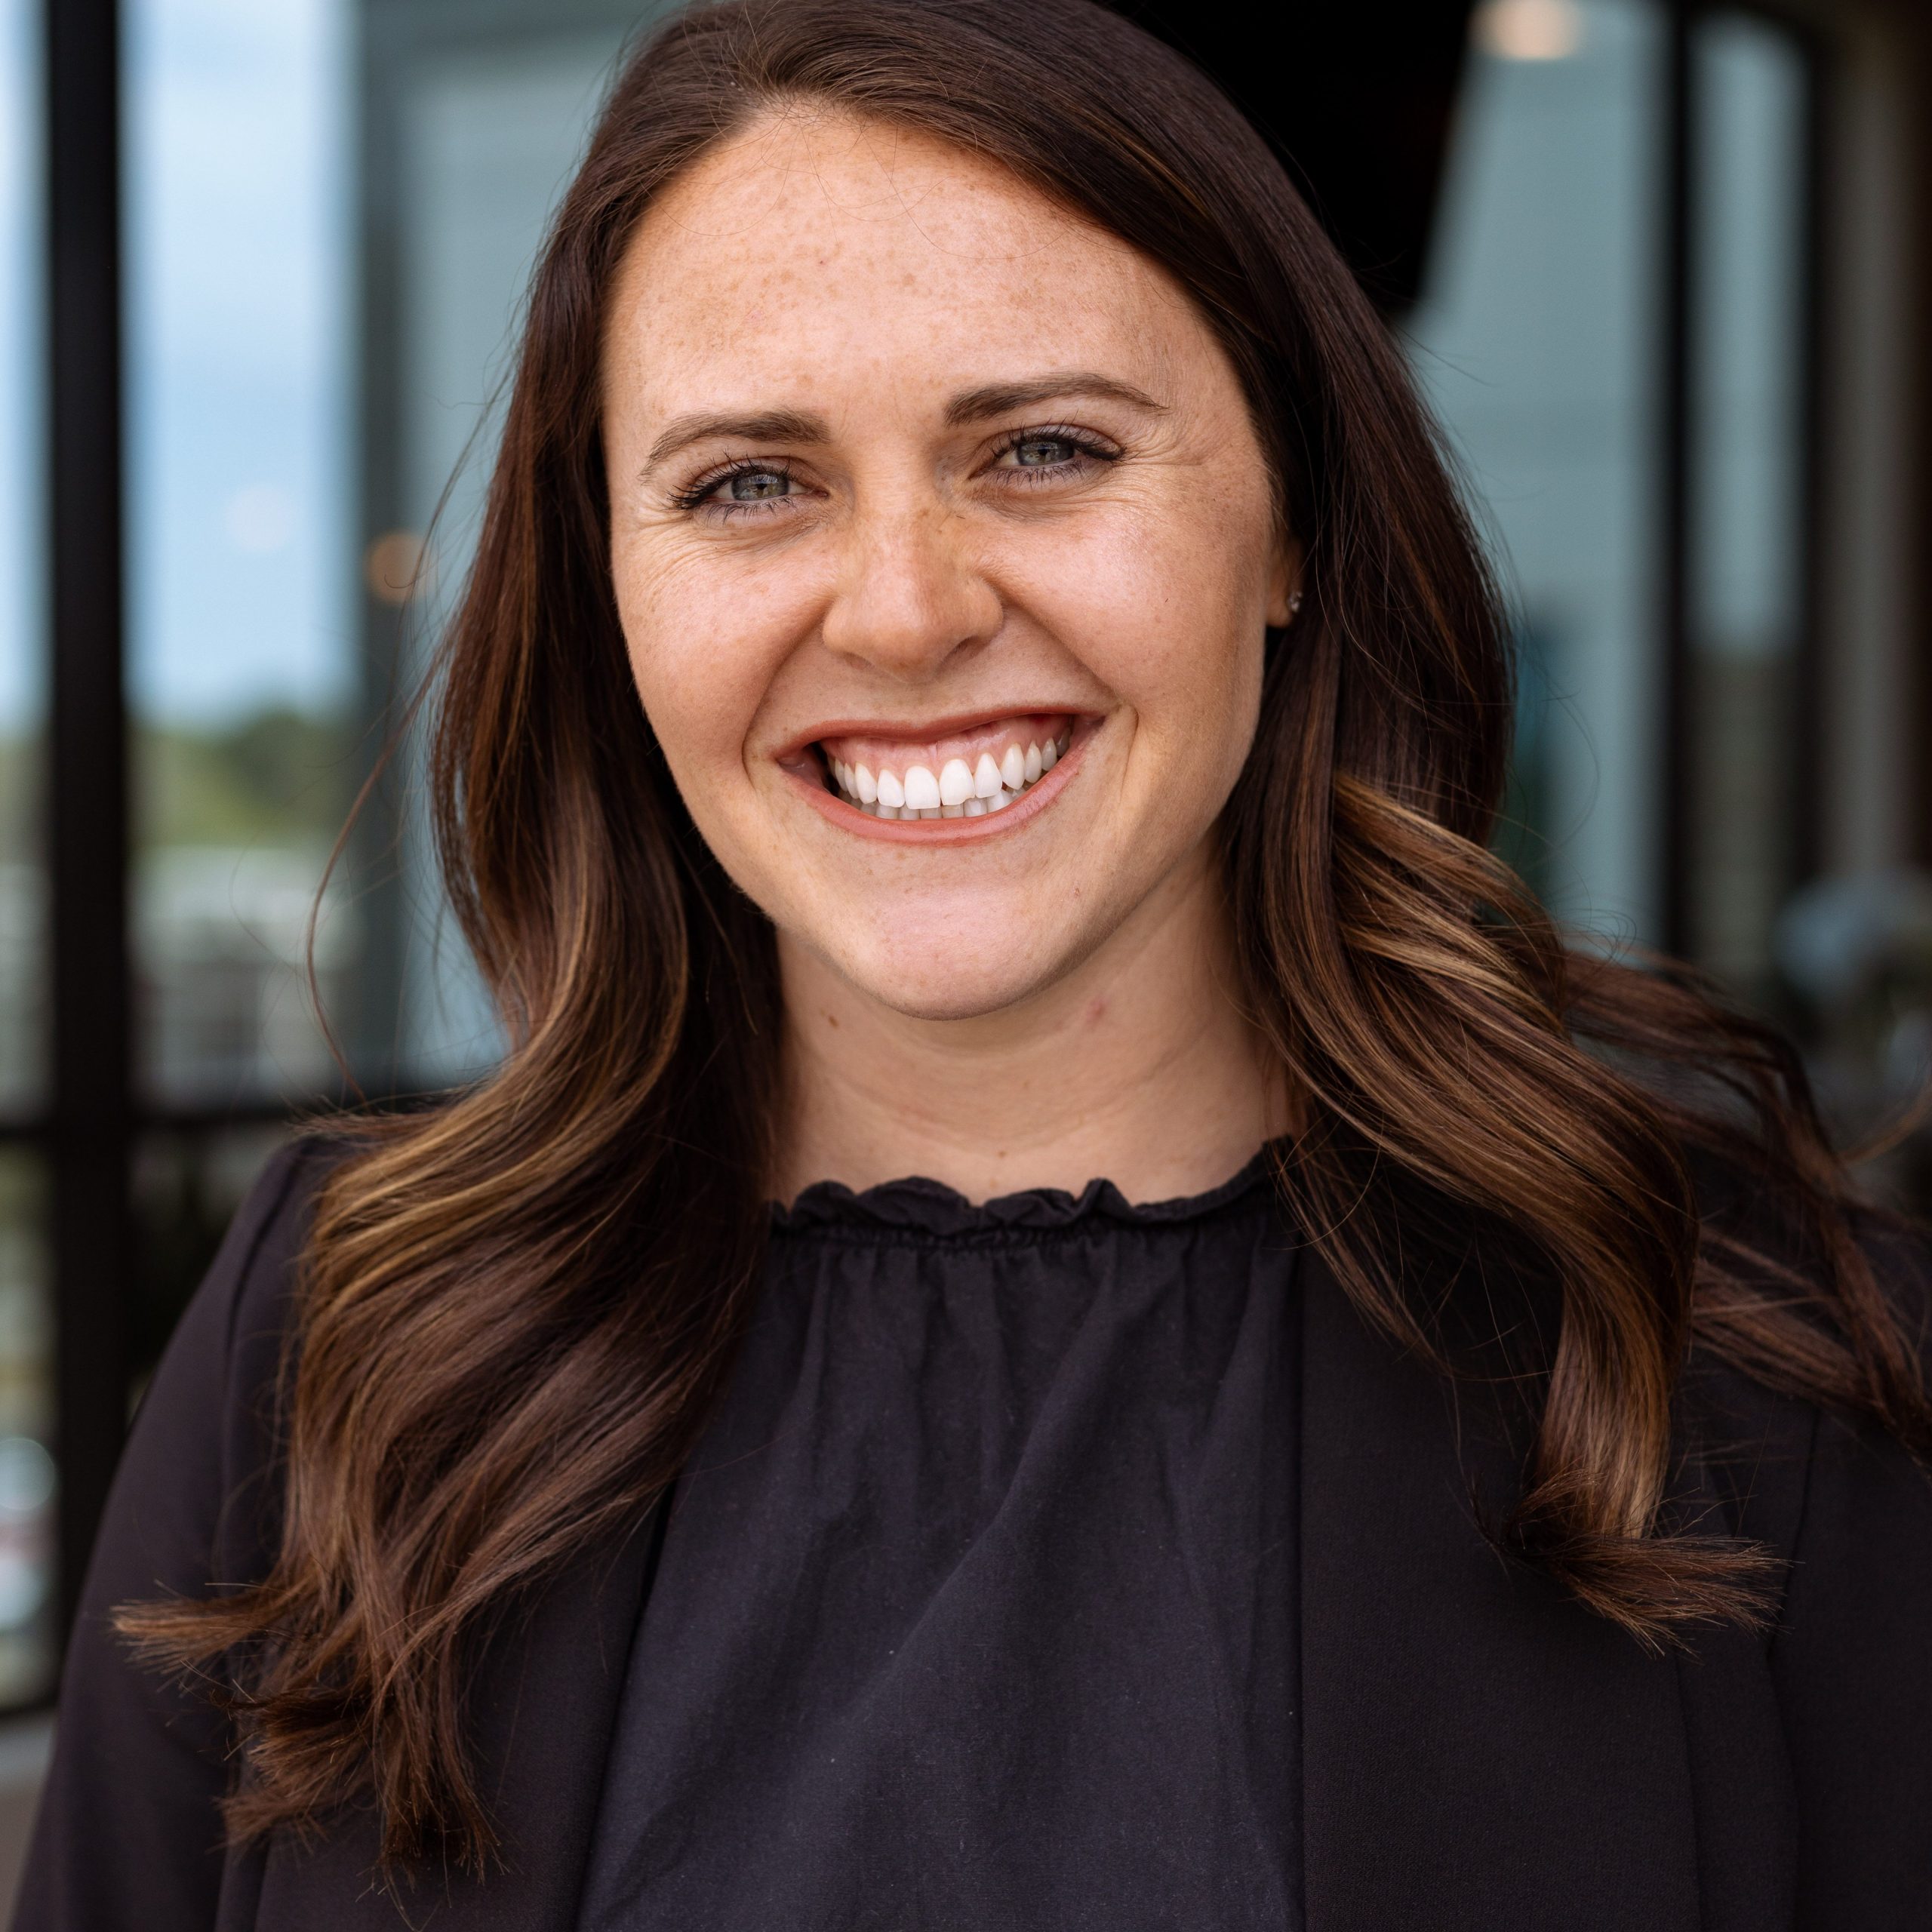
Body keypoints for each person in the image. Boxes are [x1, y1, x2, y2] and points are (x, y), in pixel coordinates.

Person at [18, 1, 1932, 1926]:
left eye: (1040, 445)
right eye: (748, 483)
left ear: (1292, 522)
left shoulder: (1753, 1363)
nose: (908, 609)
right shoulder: (335, 1342)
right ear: (606, 585)